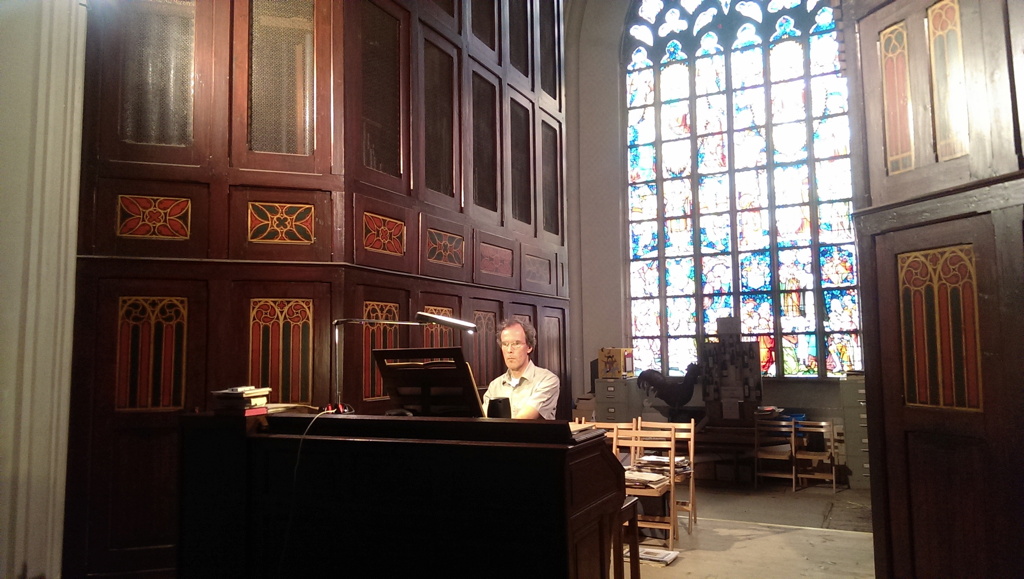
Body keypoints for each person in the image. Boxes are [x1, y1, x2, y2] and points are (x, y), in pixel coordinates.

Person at [482, 318, 560, 419]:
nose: (509, 350)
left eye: (516, 344)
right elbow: (483, 420)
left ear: (529, 347)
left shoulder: (547, 380)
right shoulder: (495, 385)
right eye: (505, 344)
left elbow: (523, 420)